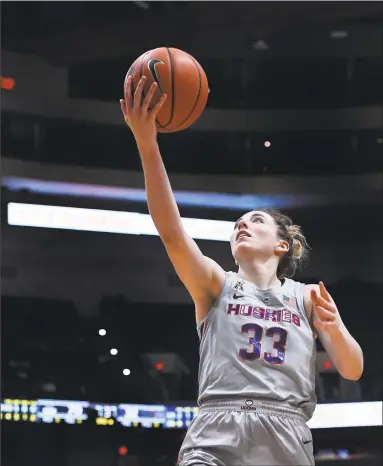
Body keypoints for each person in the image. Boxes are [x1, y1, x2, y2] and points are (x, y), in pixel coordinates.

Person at [120, 76, 364, 466]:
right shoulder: (216, 284)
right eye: (237, 225)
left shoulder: (305, 296)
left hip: (284, 430)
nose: (242, 226)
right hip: (217, 426)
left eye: (254, 221)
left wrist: (334, 328)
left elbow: (352, 370)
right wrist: (147, 143)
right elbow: (171, 233)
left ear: (282, 245)